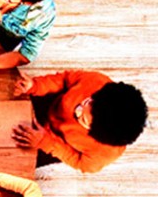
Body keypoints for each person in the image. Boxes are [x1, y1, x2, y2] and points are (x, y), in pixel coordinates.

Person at [10, 70, 149, 173]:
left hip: (56, 144)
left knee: (13, 162)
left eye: (82, 119)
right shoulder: (96, 81)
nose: (77, 111)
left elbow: (79, 161)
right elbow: (64, 80)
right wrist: (35, 85)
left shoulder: (105, 152)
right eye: (87, 102)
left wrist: (46, 143)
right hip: (49, 103)